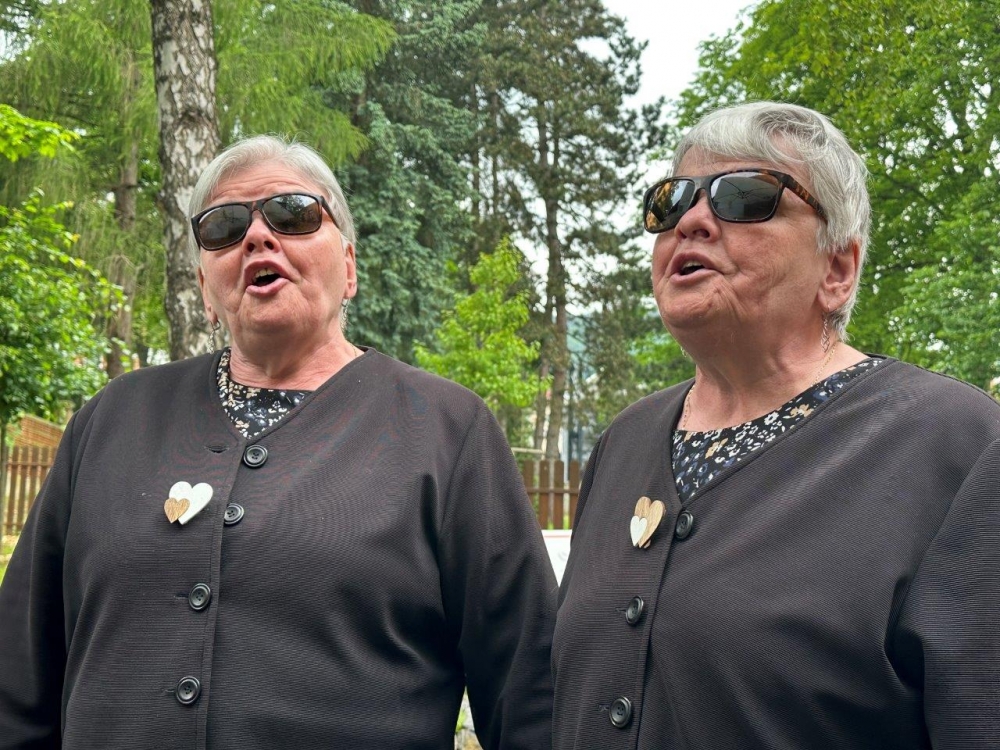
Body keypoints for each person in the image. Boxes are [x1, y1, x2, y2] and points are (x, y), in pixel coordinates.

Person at [0, 135, 556, 750]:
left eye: (293, 214)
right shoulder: (111, 421)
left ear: (349, 266)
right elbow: (18, 679)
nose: (258, 237)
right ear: (204, 287)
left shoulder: (446, 430)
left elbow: (529, 694)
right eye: (224, 227)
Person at [551, 101, 1000, 749]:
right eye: (671, 203)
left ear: (837, 270)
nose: (692, 221)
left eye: (745, 197)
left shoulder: (956, 444)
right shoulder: (625, 441)